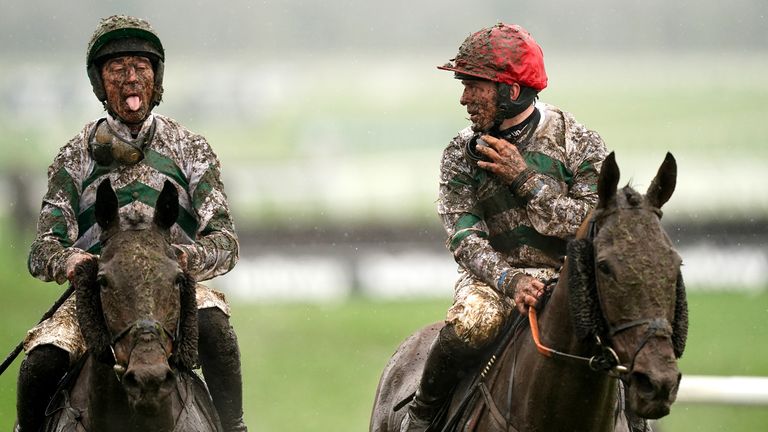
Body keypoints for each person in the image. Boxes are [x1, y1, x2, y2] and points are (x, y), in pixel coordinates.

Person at [17, 15, 247, 432]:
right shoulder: (74, 158)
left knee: (216, 329)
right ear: (100, 84)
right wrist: (74, 263)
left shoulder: (191, 149)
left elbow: (226, 242)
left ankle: (234, 427)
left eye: (140, 68)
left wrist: (179, 258)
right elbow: (42, 250)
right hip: (97, 293)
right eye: (117, 69)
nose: (130, 79)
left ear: (156, 79)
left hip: (172, 290)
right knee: (41, 360)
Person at [401, 23, 609, 431]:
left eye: (473, 86)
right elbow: (464, 239)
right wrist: (510, 280)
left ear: (511, 91)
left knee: (620, 331)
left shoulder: (580, 144)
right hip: (495, 283)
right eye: (463, 85)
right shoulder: (459, 153)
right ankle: (420, 418)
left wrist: (524, 180)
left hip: (569, 279)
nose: (463, 98)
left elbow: (593, 229)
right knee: (470, 324)